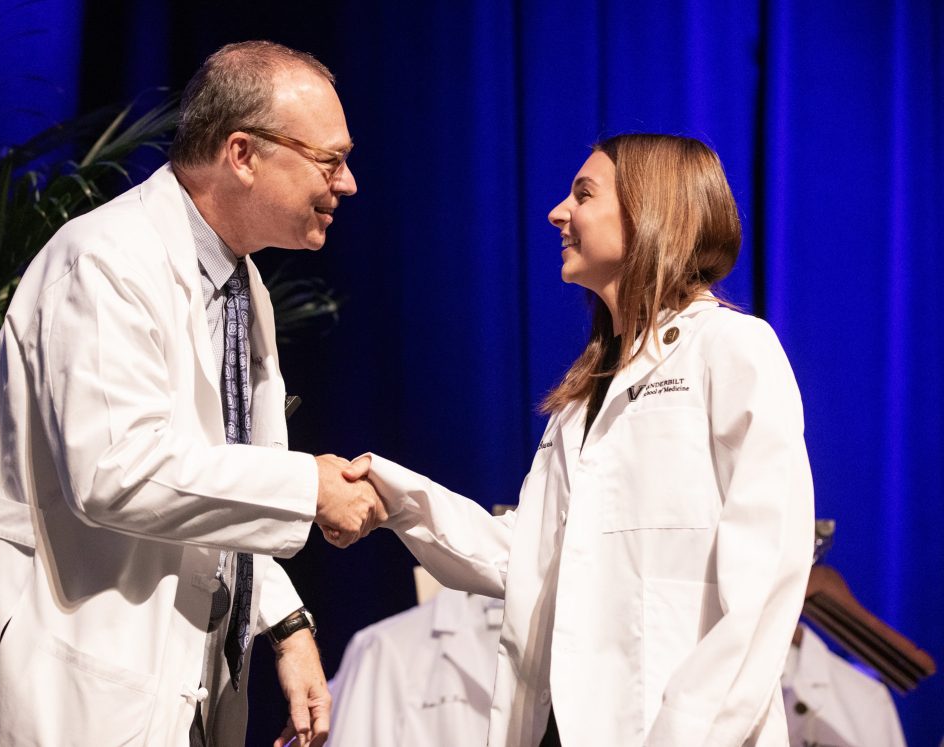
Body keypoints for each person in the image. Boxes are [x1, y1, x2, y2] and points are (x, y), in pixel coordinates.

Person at [0, 41, 384, 747]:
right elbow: (115, 471)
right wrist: (310, 485)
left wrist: (285, 624)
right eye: (330, 159)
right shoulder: (106, 260)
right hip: (70, 658)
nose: (346, 183)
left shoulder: (241, 286)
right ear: (243, 154)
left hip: (172, 673)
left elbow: (221, 483)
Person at [343, 134, 815, 746]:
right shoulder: (584, 397)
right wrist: (394, 497)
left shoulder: (731, 348)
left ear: (652, 210)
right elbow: (528, 560)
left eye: (583, 194)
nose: (557, 212)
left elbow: (768, 572)